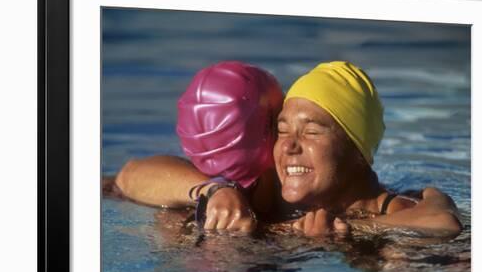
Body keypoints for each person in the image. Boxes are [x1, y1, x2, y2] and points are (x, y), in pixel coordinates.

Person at [113, 61, 462, 238]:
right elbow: (128, 177)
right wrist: (212, 189)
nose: (290, 145)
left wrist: (350, 232)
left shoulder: (395, 210)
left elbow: (442, 223)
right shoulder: (267, 194)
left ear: (357, 147)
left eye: (311, 130)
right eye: (281, 129)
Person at [110, 61, 283, 232]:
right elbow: (129, 175)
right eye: (284, 122)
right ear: (274, 128)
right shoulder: (296, 212)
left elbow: (125, 176)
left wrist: (213, 189)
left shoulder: (185, 203)